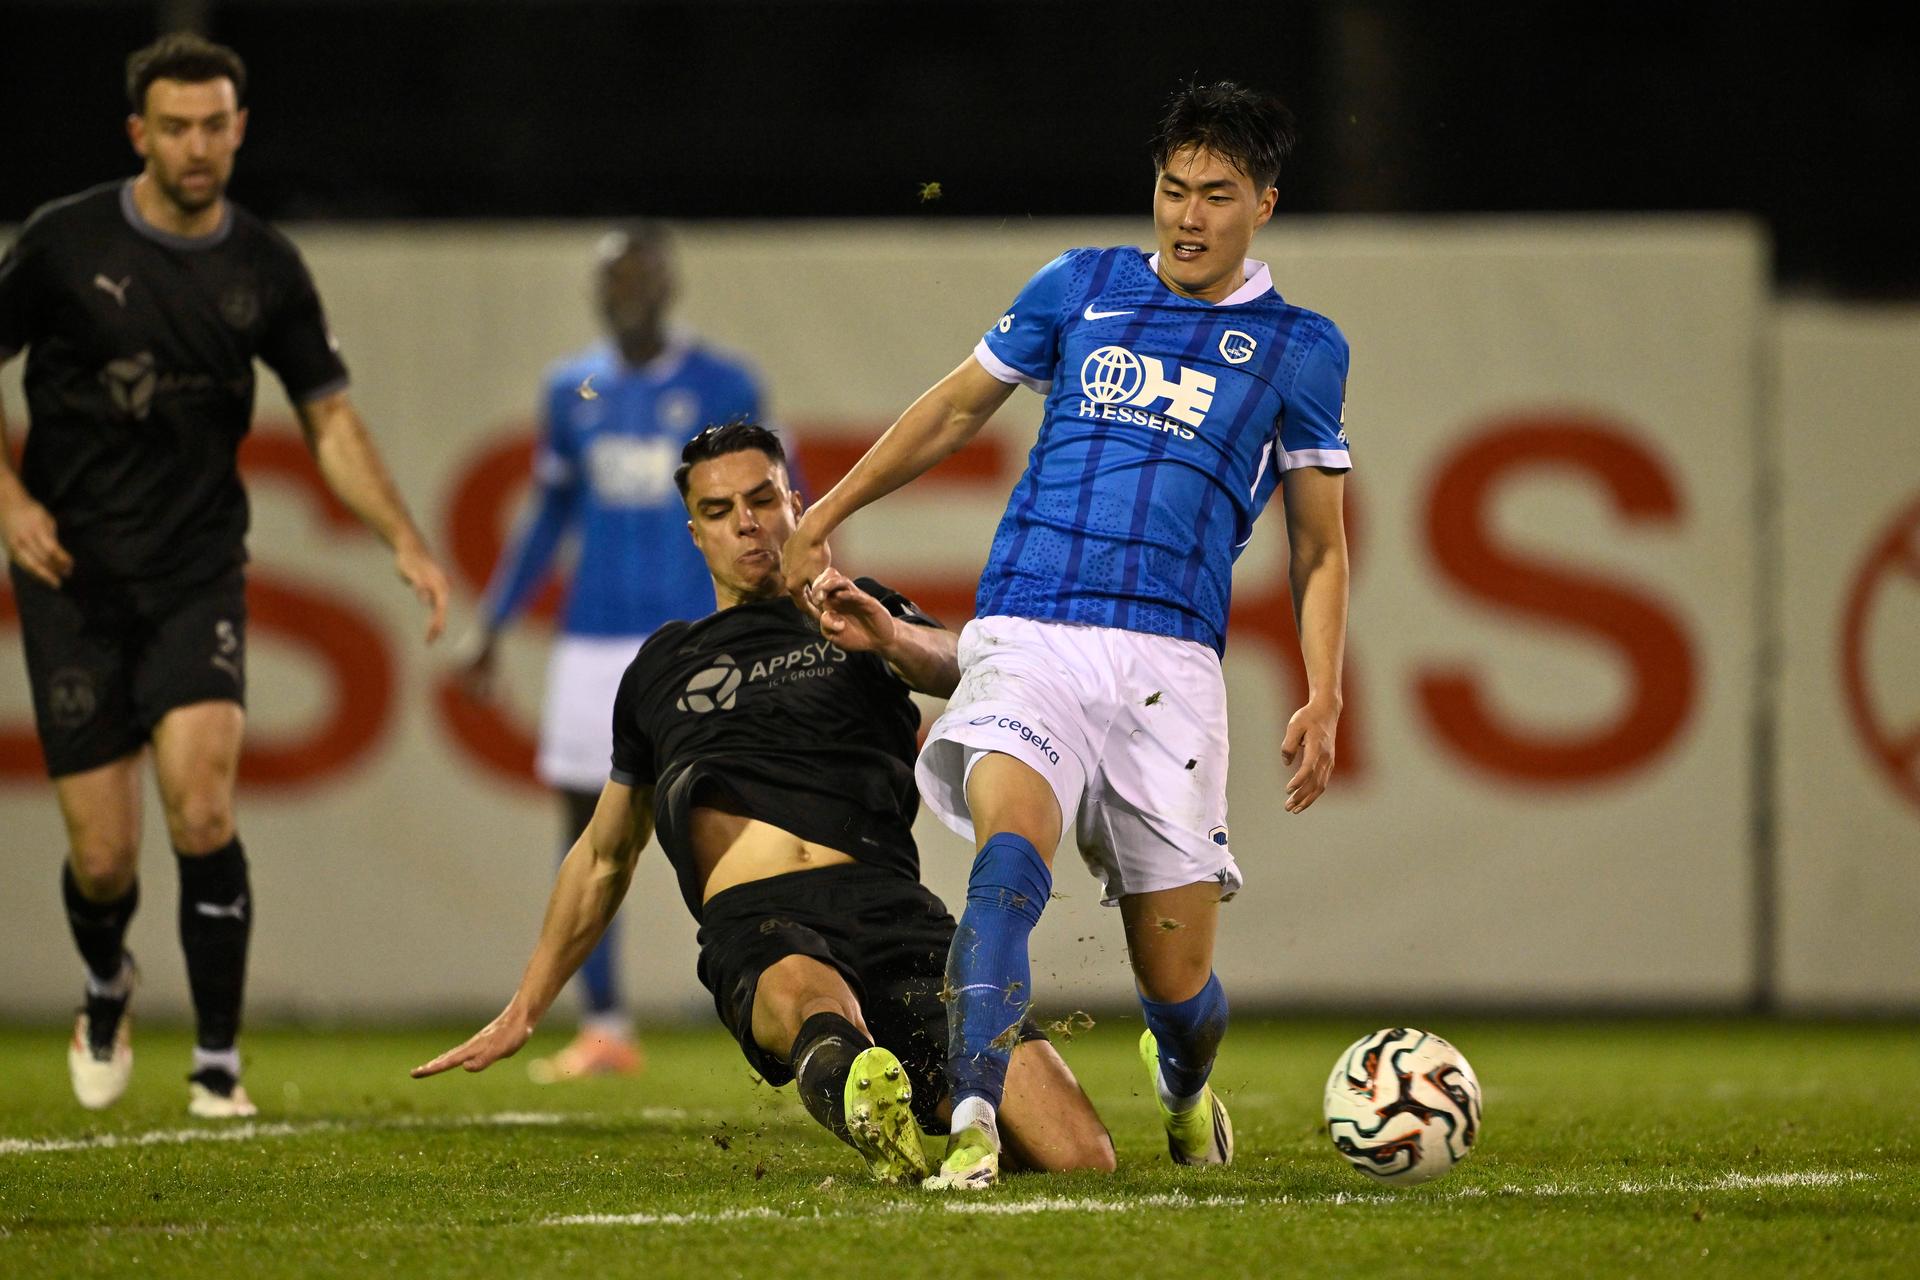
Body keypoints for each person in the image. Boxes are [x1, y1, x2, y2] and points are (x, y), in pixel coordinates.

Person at [781, 81, 1351, 1189]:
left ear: (1265, 204)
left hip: (1168, 667)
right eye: (1172, 188)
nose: (1187, 216)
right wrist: (827, 510)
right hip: (1030, 625)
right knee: (1004, 866)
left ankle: (1184, 1084)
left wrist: (1324, 691)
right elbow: (955, 407)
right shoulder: (1081, 285)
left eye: (1216, 195)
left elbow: (1320, 547)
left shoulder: (1300, 348)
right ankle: (978, 1122)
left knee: (1181, 992)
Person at [415, 422, 1114, 1185]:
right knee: (817, 1002)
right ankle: (865, 1094)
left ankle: (931, 1107)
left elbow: (973, 670)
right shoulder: (661, 668)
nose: (745, 522)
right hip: (761, 916)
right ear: (696, 533)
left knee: (1080, 1158)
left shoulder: (858, 609)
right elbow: (604, 854)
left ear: (796, 501)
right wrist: (527, 1005)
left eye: (760, 499)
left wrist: (889, 641)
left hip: (892, 912)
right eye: (719, 511)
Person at [0, 34, 451, 1118]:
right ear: (138, 135)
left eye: (215, 125)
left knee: (201, 807)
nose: (197, 145)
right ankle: (107, 982)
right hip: (72, 579)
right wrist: (12, 501)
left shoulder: (266, 269)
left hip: (198, 570)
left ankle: (216, 1061)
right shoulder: (64, 244)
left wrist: (401, 534)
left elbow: (328, 418)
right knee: (104, 858)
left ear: (239, 128)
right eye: (176, 127)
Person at [461, 223, 766, 1083]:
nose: (624, 294)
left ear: (669, 287)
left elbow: (774, 507)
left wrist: (794, 596)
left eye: (639, 280)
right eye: (611, 282)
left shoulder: (723, 383)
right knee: (589, 834)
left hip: (695, 639)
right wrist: (492, 624)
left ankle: (776, 997)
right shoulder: (571, 387)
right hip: (592, 644)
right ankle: (604, 1024)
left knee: (730, 821)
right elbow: (549, 516)